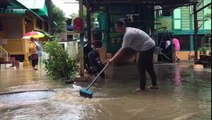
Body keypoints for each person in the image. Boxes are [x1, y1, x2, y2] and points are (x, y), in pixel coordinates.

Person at [108, 19, 158, 91]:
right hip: (149, 45)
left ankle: (142, 88)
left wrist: (112, 59)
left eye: (118, 28)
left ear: (123, 26)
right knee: (149, 66)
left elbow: (123, 49)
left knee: (141, 67)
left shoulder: (128, 34)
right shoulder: (127, 32)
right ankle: (154, 85)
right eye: (116, 29)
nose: (118, 31)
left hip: (147, 46)